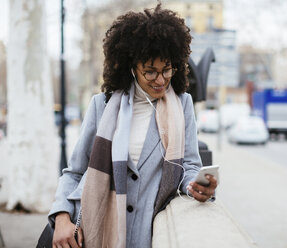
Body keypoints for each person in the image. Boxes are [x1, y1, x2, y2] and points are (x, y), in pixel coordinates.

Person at [48, 4, 217, 248]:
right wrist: (61, 216)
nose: (160, 80)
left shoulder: (183, 105)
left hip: (146, 238)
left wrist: (197, 186)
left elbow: (189, 164)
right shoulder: (102, 105)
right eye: (150, 72)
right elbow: (75, 172)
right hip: (92, 233)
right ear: (131, 66)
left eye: (167, 69)